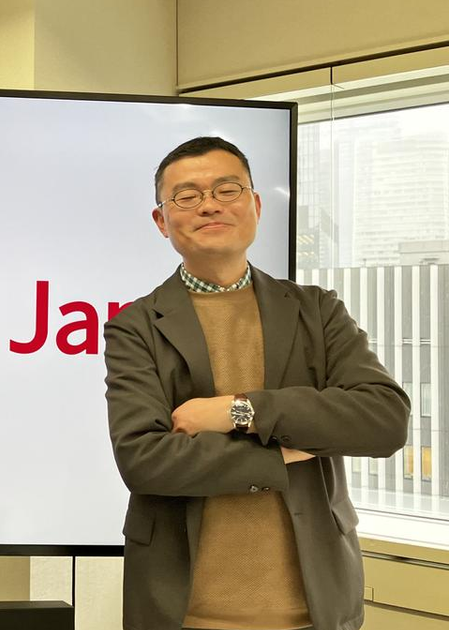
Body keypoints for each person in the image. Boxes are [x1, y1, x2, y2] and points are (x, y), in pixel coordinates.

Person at [103, 136, 409, 630]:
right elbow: (144, 461)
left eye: (227, 190)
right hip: (184, 612)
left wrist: (237, 411)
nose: (209, 205)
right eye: (187, 195)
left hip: (317, 610)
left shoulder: (318, 310)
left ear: (256, 205)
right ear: (161, 220)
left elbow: (384, 421)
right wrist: (286, 450)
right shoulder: (135, 327)